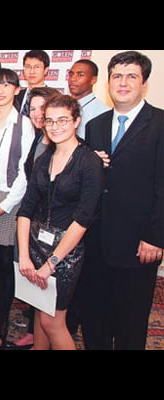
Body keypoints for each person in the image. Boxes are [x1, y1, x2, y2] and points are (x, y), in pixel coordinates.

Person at [80, 51, 164, 350]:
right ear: (108, 81)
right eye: (117, 76)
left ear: (144, 83)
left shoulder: (160, 124)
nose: (123, 83)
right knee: (95, 317)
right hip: (97, 240)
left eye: (131, 76)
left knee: (130, 321)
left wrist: (155, 237)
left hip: (138, 243)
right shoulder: (96, 126)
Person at [16, 94, 104, 350]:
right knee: (40, 315)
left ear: (76, 121)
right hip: (34, 246)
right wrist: (24, 256)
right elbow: (26, 210)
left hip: (65, 253)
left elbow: (83, 219)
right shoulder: (43, 161)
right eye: (49, 121)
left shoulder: (89, 162)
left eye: (62, 120)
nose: (55, 126)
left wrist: (52, 263)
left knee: (52, 320)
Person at [0, 68, 35, 347]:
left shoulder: (24, 125)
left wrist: (5, 206)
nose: (0, 90)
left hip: (8, 202)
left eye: (6, 85)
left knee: (2, 268)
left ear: (16, 89)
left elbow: (26, 172)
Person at [7, 86, 60, 350]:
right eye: (34, 108)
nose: (38, 114)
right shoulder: (38, 139)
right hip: (34, 225)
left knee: (53, 315)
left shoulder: (65, 144)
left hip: (56, 235)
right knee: (39, 303)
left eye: (44, 108)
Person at [67, 59, 110, 140]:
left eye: (80, 75)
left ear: (93, 80)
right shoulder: (63, 106)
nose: (73, 79)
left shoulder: (103, 112)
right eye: (71, 74)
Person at [15, 50, 50, 116]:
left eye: (37, 67)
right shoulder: (16, 96)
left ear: (46, 70)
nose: (32, 71)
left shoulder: (52, 97)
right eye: (28, 67)